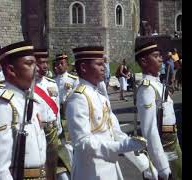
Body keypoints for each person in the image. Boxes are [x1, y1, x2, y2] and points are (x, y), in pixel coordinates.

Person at [65, 46, 147, 180]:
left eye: (103, 63)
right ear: (84, 67)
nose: (104, 67)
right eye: (98, 64)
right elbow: (82, 143)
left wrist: (144, 164)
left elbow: (116, 134)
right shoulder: (78, 98)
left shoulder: (102, 98)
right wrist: (121, 146)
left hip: (110, 169)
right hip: (90, 171)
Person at [0, 41, 47, 180]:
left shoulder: (31, 102)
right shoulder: (3, 107)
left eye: (35, 63)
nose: (36, 69)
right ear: (11, 70)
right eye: (29, 64)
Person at [135, 41, 182, 180]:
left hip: (172, 145)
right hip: (163, 151)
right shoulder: (147, 89)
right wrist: (162, 167)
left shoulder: (157, 85)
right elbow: (150, 131)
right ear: (144, 61)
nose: (161, 59)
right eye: (156, 56)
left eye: (160, 56)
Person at [34, 49, 63, 180]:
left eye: (46, 62)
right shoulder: (28, 86)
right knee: (38, 164)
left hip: (52, 129)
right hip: (37, 130)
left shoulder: (51, 83)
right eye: (41, 63)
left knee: (52, 165)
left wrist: (58, 126)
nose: (45, 66)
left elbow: (56, 107)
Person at [53, 53, 78, 180]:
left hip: (67, 114)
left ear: (67, 65)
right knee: (60, 144)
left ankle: (73, 170)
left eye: (62, 63)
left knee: (69, 144)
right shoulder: (53, 80)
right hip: (57, 114)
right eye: (57, 63)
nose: (59, 65)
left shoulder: (73, 79)